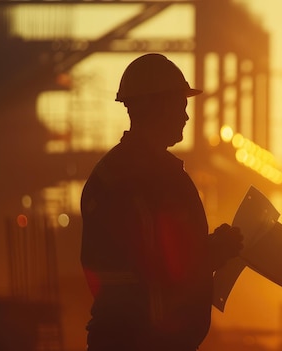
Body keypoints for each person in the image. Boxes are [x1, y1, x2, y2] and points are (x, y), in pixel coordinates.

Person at [80, 53, 242, 351]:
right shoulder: (144, 178)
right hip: (142, 340)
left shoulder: (119, 172)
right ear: (156, 106)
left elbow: (160, 249)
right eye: (181, 106)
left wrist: (209, 247)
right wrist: (215, 251)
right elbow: (157, 267)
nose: (186, 116)